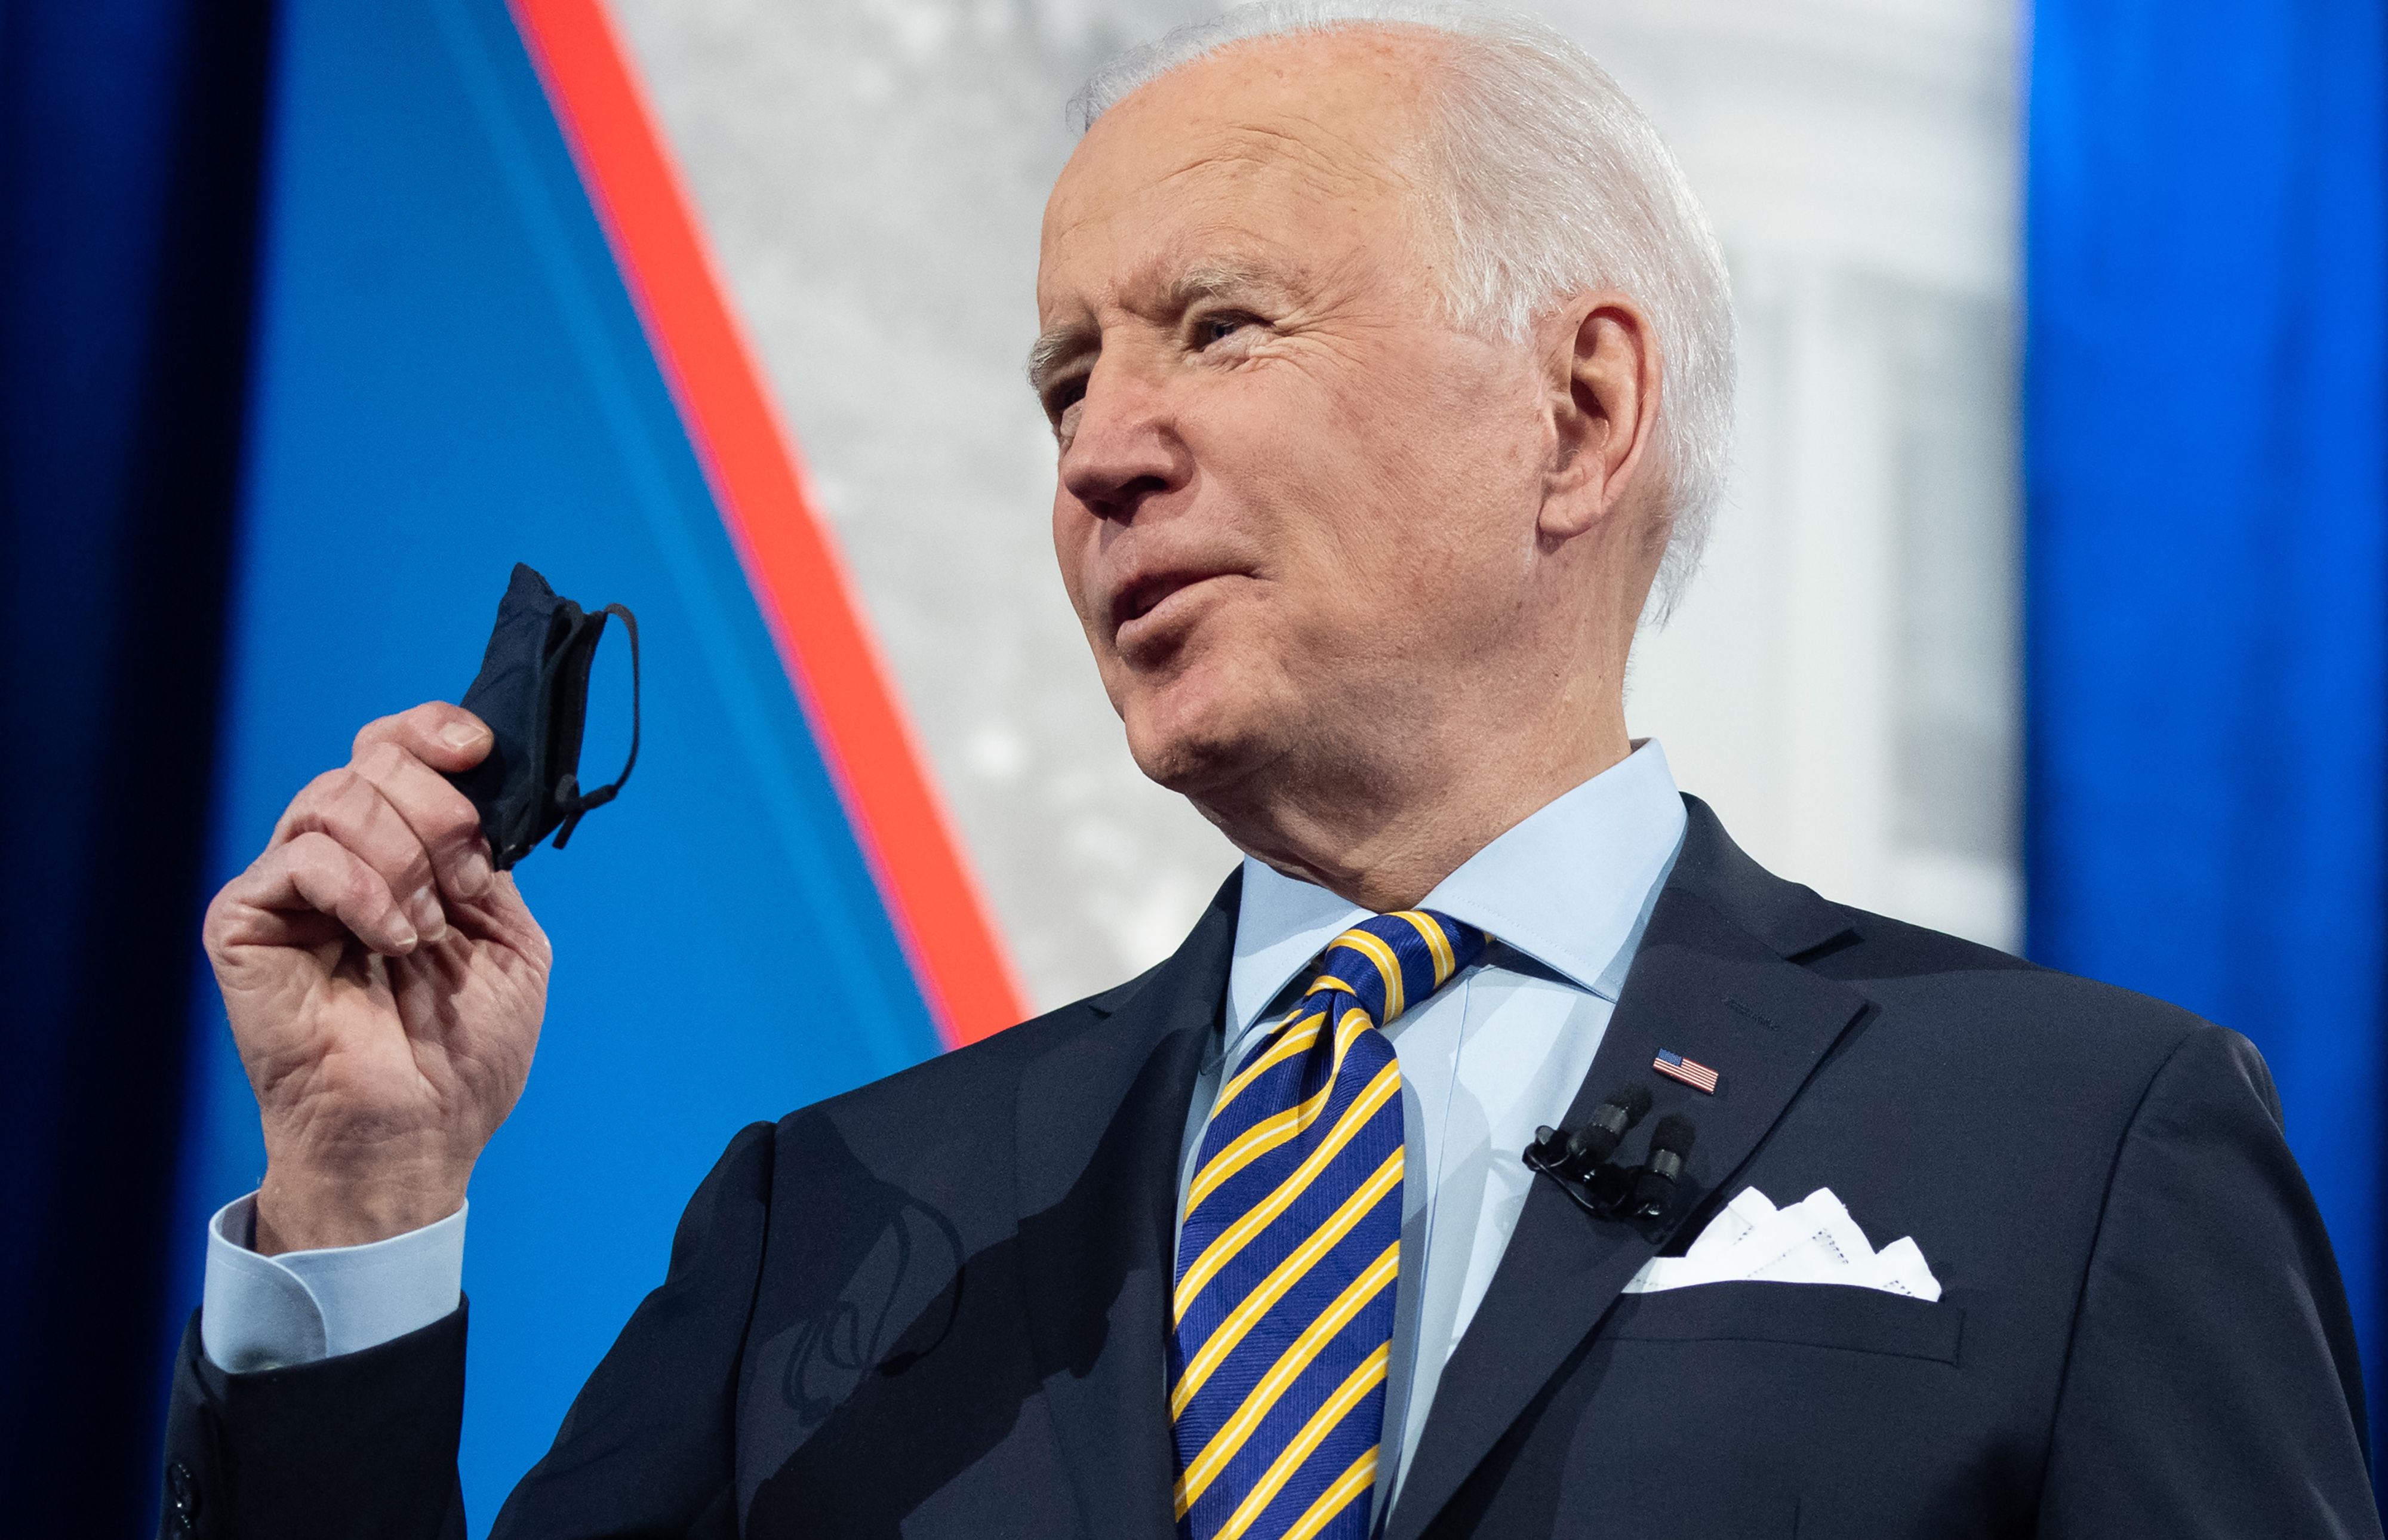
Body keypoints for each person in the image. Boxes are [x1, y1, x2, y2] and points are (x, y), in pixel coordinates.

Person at [159, 4, 2377, 1537]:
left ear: (1581, 414)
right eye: (1065, 384)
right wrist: (366, 1196)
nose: (1109, 449)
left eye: (1220, 328)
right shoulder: (837, 1220)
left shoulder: (2077, 1142)